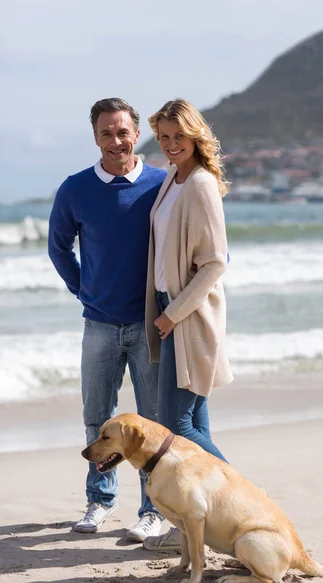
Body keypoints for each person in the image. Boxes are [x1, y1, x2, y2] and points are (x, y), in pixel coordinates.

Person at [48, 97, 167, 541]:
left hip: (150, 324)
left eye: (122, 132)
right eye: (106, 133)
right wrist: (83, 288)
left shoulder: (162, 183)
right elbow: (59, 247)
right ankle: (99, 502)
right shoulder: (75, 188)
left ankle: (153, 510)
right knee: (97, 416)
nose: (115, 141)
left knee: (151, 424)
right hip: (98, 323)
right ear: (95, 137)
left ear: (137, 134)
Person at [142, 99, 233, 552]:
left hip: (188, 317)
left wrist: (171, 314)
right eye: (164, 137)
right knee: (195, 420)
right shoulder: (171, 180)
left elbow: (215, 263)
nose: (171, 144)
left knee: (177, 425)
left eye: (179, 136)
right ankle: (211, 516)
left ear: (195, 136)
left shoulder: (199, 183)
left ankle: (239, 499)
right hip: (168, 308)